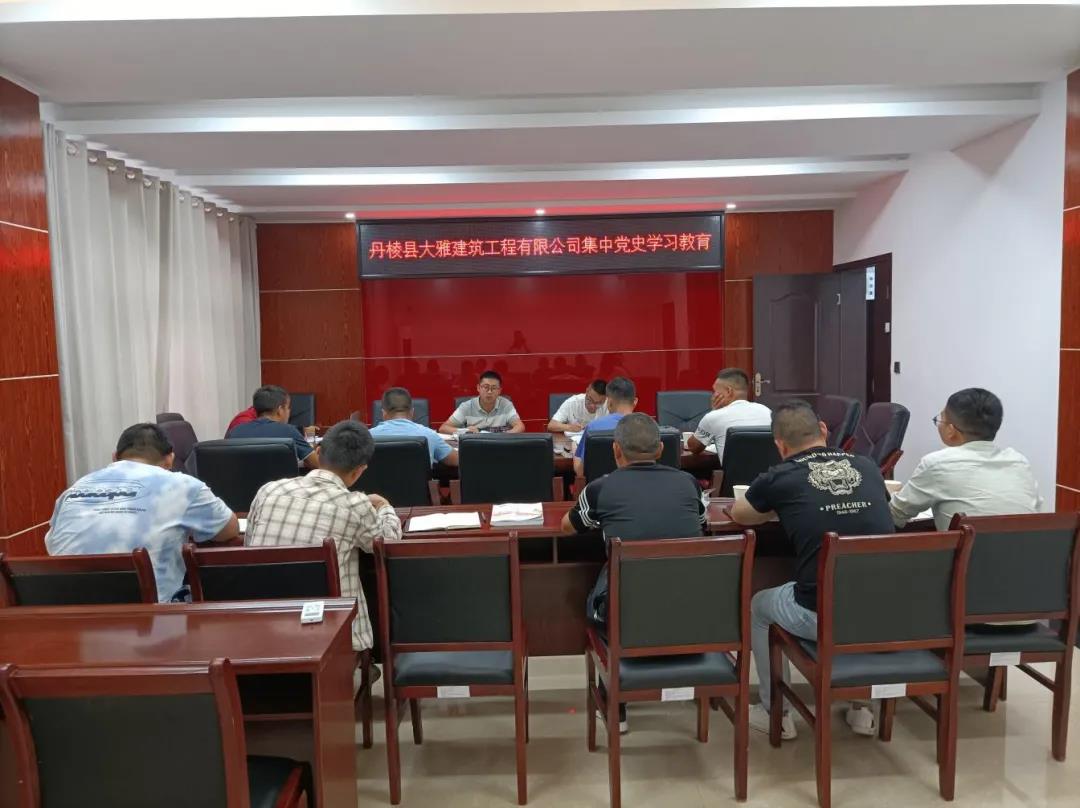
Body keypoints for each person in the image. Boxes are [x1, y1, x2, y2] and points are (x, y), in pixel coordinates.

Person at [728, 400, 893, 740]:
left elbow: (741, 513)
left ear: (780, 445)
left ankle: (776, 713)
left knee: (759, 605)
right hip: (883, 614)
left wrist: (780, 509)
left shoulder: (780, 476)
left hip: (821, 615)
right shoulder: (867, 466)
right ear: (823, 430)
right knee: (861, 588)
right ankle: (862, 709)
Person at [561, 412, 709, 732]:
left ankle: (616, 705)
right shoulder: (688, 484)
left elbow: (567, 527)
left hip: (626, 614)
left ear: (616, 450)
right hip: (693, 611)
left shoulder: (601, 488)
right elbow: (702, 523)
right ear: (660, 450)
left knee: (603, 583)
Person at [245, 420, 403, 654]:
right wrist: (384, 506)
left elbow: (248, 546)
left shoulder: (268, 491)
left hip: (263, 623)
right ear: (359, 470)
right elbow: (388, 543)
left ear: (318, 452)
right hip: (328, 631)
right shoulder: (355, 505)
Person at [45, 423, 238, 602]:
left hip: (66, 616)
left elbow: (53, 546)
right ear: (170, 460)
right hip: (148, 620)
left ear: (115, 457)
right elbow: (228, 530)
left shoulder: (76, 487)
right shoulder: (184, 486)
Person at [889, 388, 1043, 531]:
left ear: (951, 430)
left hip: (971, 551)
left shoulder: (937, 463)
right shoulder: (1019, 462)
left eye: (940, 419)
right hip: (1027, 550)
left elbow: (894, 515)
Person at [687, 368, 772, 460]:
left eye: (716, 391)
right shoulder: (767, 411)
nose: (713, 395)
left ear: (728, 391)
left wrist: (714, 411)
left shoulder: (713, 416)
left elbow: (693, 447)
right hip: (772, 469)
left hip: (736, 469)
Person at [227, 385, 319, 468]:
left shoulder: (235, 431)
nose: (289, 411)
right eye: (288, 408)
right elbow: (317, 464)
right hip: (280, 482)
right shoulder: (289, 431)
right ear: (280, 410)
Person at [371, 387, 458, 467]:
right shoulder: (429, 435)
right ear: (412, 412)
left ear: (383, 413)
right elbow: (457, 460)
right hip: (419, 480)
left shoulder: (367, 437)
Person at [573, 376, 636, 477]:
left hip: (600, 486)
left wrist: (575, 452)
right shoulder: (649, 428)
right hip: (635, 485)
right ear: (635, 402)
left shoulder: (593, 427)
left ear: (609, 402)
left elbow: (580, 472)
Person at [438, 370, 525, 434]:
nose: (489, 392)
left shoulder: (506, 404)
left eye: (494, 388)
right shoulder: (466, 406)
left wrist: (504, 435)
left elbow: (520, 426)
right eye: (486, 387)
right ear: (478, 388)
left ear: (499, 391)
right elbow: (443, 428)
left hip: (499, 446)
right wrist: (465, 431)